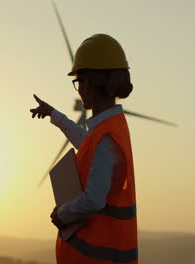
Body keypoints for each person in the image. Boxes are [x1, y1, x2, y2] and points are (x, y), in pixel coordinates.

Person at [30, 34, 138, 264]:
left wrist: (62, 213)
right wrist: (54, 115)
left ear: (88, 85)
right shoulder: (111, 128)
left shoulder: (106, 137)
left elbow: (93, 200)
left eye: (78, 82)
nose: (78, 90)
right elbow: (88, 143)